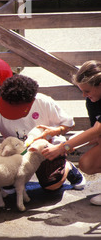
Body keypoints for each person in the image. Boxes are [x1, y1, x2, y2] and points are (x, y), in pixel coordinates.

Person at [0, 74, 86, 191]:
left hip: (45, 152)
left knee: (52, 185)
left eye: (16, 107)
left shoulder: (43, 102)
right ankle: (18, 180)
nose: (11, 110)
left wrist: (55, 130)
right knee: (6, 186)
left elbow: (69, 123)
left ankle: (67, 167)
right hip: (18, 155)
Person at [42, 61, 101, 204]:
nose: (83, 95)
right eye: (82, 90)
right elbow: (97, 134)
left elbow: (97, 130)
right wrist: (74, 143)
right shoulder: (92, 101)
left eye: (87, 91)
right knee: (86, 163)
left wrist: (63, 147)